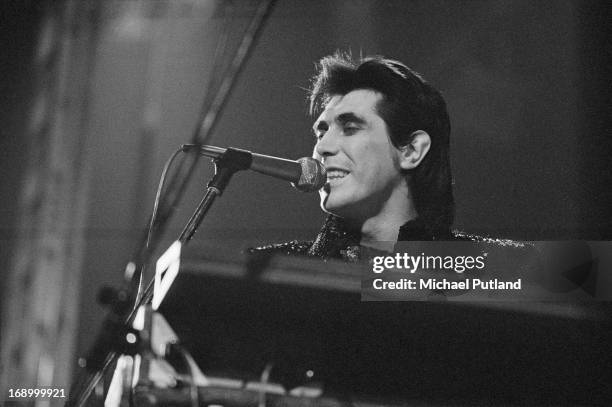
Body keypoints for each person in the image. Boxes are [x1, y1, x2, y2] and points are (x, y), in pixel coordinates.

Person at [250, 52, 516, 262]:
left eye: (350, 128)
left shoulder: (498, 270)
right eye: (321, 132)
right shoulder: (264, 269)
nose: (322, 147)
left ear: (411, 150)